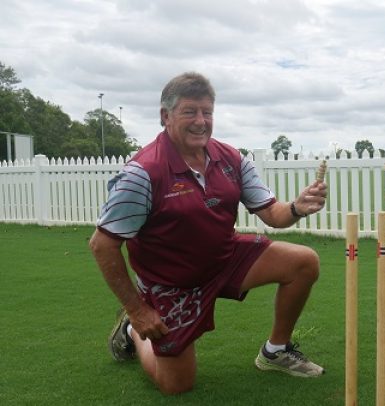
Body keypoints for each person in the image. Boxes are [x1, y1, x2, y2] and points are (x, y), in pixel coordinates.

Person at [89, 72, 327, 395]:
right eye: (190, 111)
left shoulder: (231, 159)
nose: (201, 121)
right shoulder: (142, 173)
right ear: (165, 116)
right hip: (171, 284)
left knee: (304, 262)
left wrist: (297, 207)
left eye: (207, 112)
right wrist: (138, 311)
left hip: (223, 259)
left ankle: (276, 351)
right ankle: (133, 331)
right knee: (177, 385)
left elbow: (272, 214)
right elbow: (102, 245)